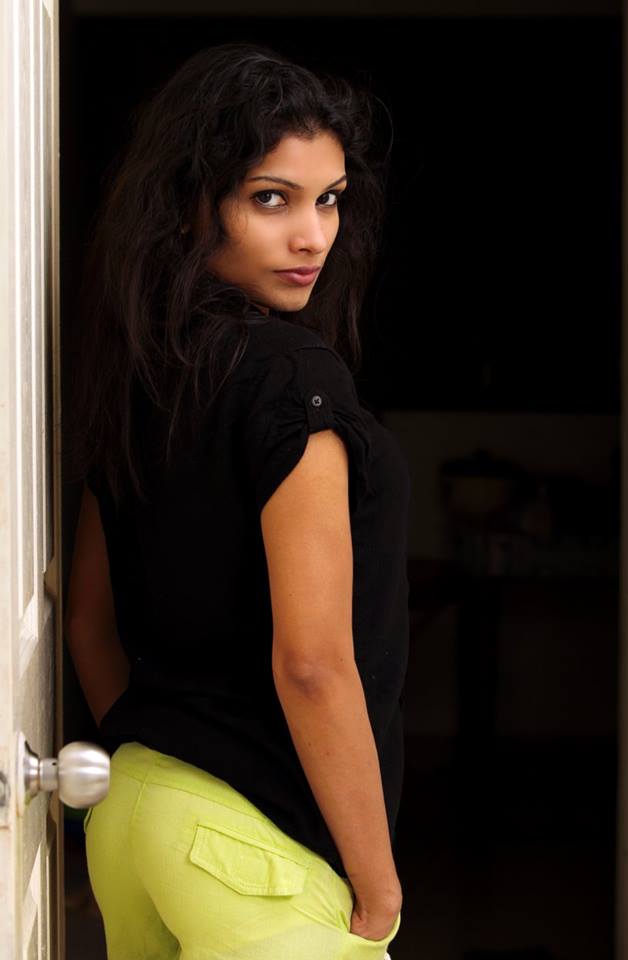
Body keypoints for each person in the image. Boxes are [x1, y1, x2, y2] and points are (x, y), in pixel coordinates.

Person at [65, 40, 411, 960]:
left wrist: (166, 768)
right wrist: (377, 881)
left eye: (329, 199)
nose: (313, 237)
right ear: (192, 202)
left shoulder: (142, 376)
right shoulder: (295, 379)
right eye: (271, 199)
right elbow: (313, 662)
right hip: (252, 845)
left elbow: (90, 623)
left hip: (132, 814)